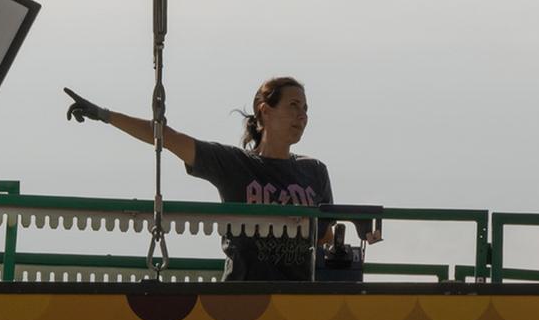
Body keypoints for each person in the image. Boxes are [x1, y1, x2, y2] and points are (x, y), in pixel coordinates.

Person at [66, 75, 375, 280]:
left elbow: (324, 239)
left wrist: (360, 238)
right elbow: (167, 137)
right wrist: (104, 115)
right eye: (293, 106)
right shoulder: (234, 164)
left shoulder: (315, 171)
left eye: (306, 109)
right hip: (244, 296)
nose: (302, 115)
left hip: (299, 299)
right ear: (264, 111)